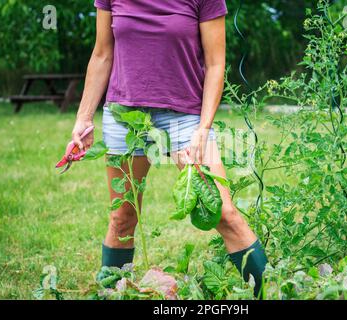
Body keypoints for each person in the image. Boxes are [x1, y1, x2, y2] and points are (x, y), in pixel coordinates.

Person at [71, 0, 268, 297]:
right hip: (125, 117)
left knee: (222, 212)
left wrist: (203, 129)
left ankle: (271, 290)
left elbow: (216, 64)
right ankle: (110, 293)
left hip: (184, 117)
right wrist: (83, 118)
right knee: (122, 217)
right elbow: (102, 54)